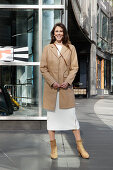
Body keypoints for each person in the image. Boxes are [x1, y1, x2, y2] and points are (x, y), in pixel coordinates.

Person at [40, 23, 89, 159]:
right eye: (56, 31)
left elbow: (75, 67)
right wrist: (52, 82)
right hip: (51, 90)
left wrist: (67, 81)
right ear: (53, 33)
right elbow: (43, 68)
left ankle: (80, 148)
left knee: (72, 120)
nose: (59, 33)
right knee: (52, 121)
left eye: (61, 31)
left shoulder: (71, 48)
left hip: (66, 89)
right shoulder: (47, 48)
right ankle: (53, 149)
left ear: (64, 33)